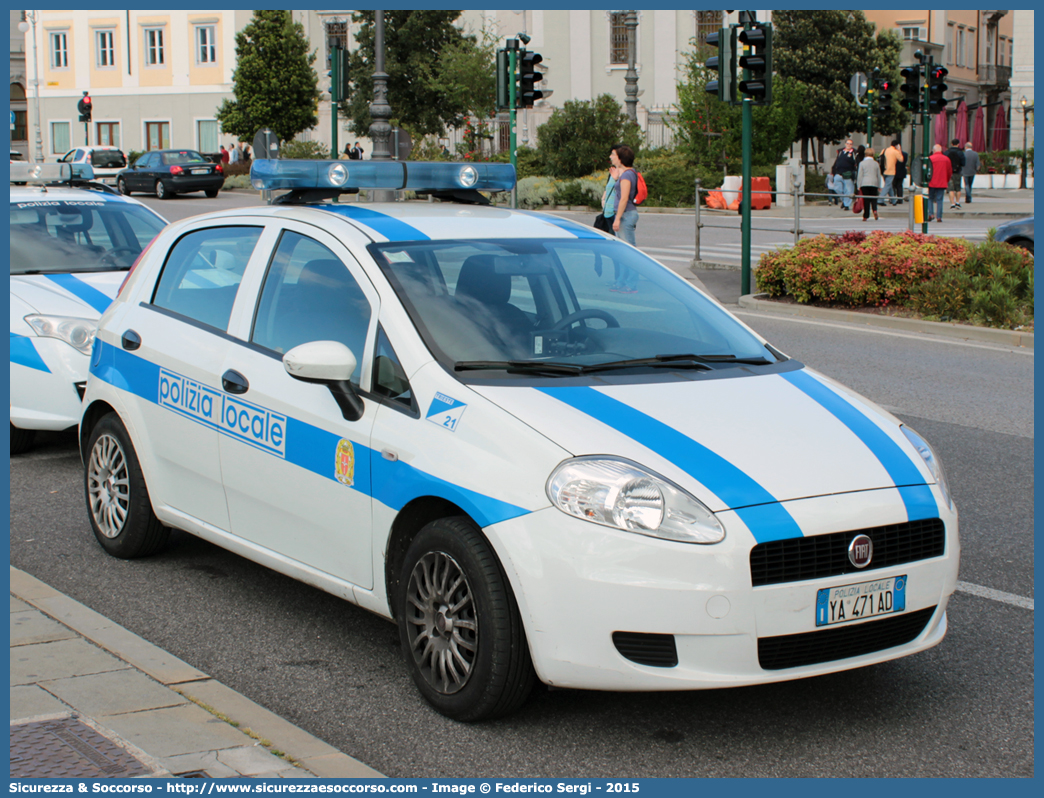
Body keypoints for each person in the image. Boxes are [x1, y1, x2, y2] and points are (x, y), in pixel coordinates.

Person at [609, 144, 639, 293]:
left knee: (629, 252)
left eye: (614, 155)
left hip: (626, 214)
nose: (611, 157)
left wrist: (617, 218)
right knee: (623, 251)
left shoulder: (627, 175)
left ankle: (631, 284)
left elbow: (624, 198)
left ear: (621, 158)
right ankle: (622, 281)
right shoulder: (628, 174)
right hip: (625, 214)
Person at [928, 144, 953, 222]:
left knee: (930, 198)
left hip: (931, 182)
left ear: (934, 150)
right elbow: (949, 171)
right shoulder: (946, 159)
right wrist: (947, 180)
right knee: (939, 199)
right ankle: (939, 216)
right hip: (942, 182)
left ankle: (930, 214)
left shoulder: (930, 158)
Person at [831, 139, 858, 211]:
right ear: (845, 144)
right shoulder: (840, 152)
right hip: (838, 173)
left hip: (848, 174)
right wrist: (833, 171)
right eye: (848, 143)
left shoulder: (853, 153)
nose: (849, 145)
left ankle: (846, 205)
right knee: (837, 188)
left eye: (850, 144)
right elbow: (836, 161)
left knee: (848, 190)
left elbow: (855, 163)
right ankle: (844, 201)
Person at [857, 147, 882, 222]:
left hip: (865, 183)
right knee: (874, 198)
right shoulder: (876, 163)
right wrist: (879, 185)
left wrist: (858, 185)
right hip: (874, 183)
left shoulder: (862, 163)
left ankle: (866, 216)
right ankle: (875, 210)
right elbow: (878, 175)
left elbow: (860, 175)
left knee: (866, 200)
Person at [883, 139, 904, 205]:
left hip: (884, 170)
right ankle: (880, 199)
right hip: (891, 171)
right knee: (887, 186)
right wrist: (899, 150)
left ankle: (893, 200)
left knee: (890, 186)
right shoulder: (895, 151)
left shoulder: (885, 150)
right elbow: (901, 159)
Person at [945, 138, 965, 209]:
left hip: (949, 173)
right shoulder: (960, 152)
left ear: (951, 144)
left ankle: (952, 203)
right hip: (958, 172)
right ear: (958, 144)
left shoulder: (947, 152)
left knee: (950, 188)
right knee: (958, 188)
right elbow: (963, 163)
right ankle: (958, 202)